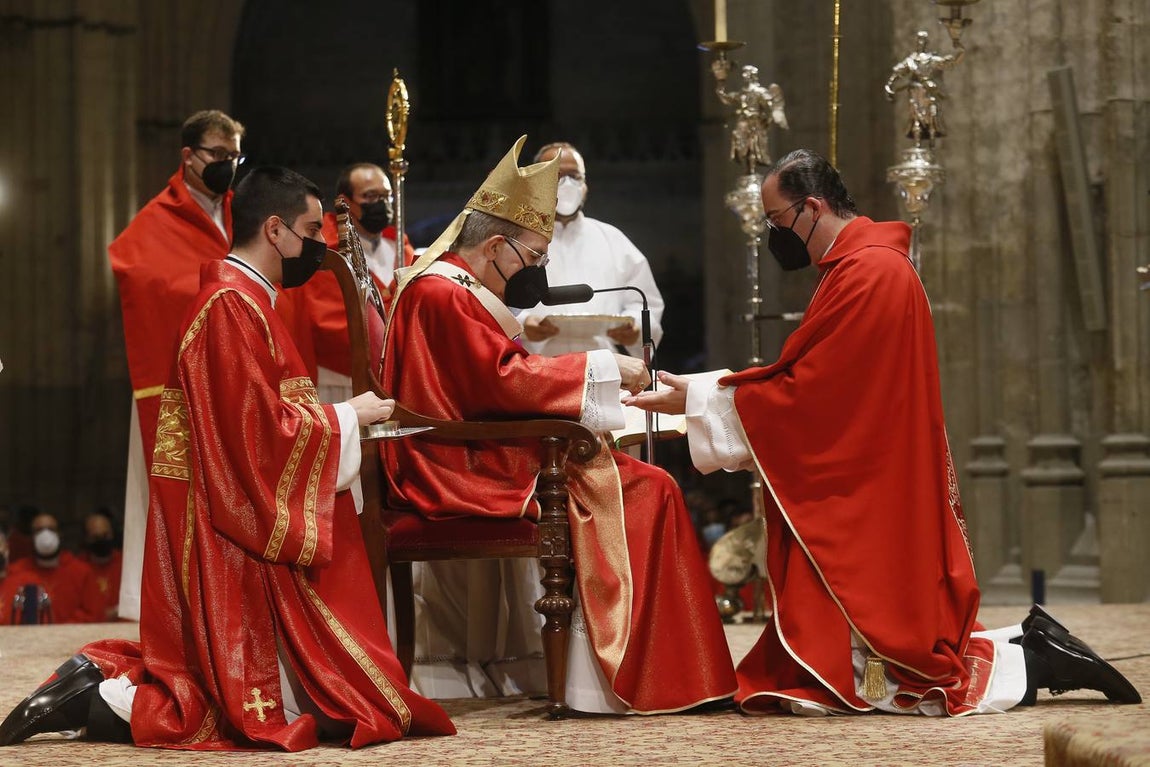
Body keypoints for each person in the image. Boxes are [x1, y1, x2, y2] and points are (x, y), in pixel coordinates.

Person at [625, 149, 1142, 715]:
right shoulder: (863, 267)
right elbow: (810, 383)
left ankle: (1034, 659)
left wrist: (699, 398)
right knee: (861, 647)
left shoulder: (870, 273)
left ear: (812, 207)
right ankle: (1031, 648)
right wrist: (701, 396)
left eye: (776, 222)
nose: (773, 236)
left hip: (867, 476)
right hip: (874, 462)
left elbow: (814, 397)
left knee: (902, 667)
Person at [0, 166, 455, 750]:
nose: (321, 245)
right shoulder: (229, 308)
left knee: (341, 699)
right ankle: (100, 695)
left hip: (236, 517)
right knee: (281, 705)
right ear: (275, 230)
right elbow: (258, 443)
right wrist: (350, 417)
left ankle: (104, 688)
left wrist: (339, 420)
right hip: (229, 533)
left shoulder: (248, 302)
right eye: (313, 229)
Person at [380, 136, 737, 714]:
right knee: (652, 488)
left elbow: (496, 380)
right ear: (496, 246)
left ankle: (653, 672)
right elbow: (502, 381)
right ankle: (621, 678)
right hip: (460, 466)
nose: (539, 272)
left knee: (650, 483)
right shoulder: (444, 293)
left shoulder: (454, 286)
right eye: (535, 258)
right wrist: (602, 366)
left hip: (483, 451)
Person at [107, 109, 246, 623]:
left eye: (235, 156)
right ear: (188, 157)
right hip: (175, 385)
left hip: (235, 379)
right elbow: (139, 271)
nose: (227, 166)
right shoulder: (156, 221)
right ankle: (171, 607)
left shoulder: (242, 213)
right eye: (218, 156)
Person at [518, 142, 665, 359]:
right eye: (556, 175)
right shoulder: (517, 240)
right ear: (535, 183)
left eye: (575, 176)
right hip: (538, 367)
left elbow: (643, 302)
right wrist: (523, 324)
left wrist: (634, 328)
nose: (566, 183)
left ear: (585, 184)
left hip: (604, 365)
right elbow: (493, 301)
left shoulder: (612, 239)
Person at [291, 162, 415, 404]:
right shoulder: (326, 252)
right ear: (345, 201)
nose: (381, 203)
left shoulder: (400, 247)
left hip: (396, 374)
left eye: (386, 196)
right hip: (341, 379)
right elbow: (326, 319)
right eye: (370, 196)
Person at [0, 511, 101, 624]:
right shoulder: (16, 570)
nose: (45, 535)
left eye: (51, 529)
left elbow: (93, 613)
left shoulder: (81, 571)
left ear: (59, 533)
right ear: (31, 536)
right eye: (39, 530)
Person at [883, 30, 964, 144]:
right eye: (919, 40)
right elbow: (898, 73)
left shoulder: (931, 60)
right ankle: (917, 143)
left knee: (932, 117)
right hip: (916, 93)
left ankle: (932, 144)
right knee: (916, 119)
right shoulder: (911, 61)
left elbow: (950, 62)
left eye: (923, 40)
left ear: (927, 42)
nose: (921, 42)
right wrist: (890, 85)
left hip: (929, 93)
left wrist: (959, 48)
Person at [711, 62, 789, 172]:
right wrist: (720, 83)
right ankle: (748, 171)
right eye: (744, 73)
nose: (744, 76)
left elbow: (772, 106)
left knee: (753, 149)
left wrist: (768, 120)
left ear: (752, 75)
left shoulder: (760, 92)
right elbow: (727, 99)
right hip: (742, 124)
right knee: (742, 149)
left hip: (755, 124)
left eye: (747, 73)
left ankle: (751, 171)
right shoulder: (742, 92)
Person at [76, 509, 122, 622]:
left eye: (105, 535)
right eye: (95, 537)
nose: (101, 541)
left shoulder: (126, 564)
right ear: (86, 538)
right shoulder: (76, 568)